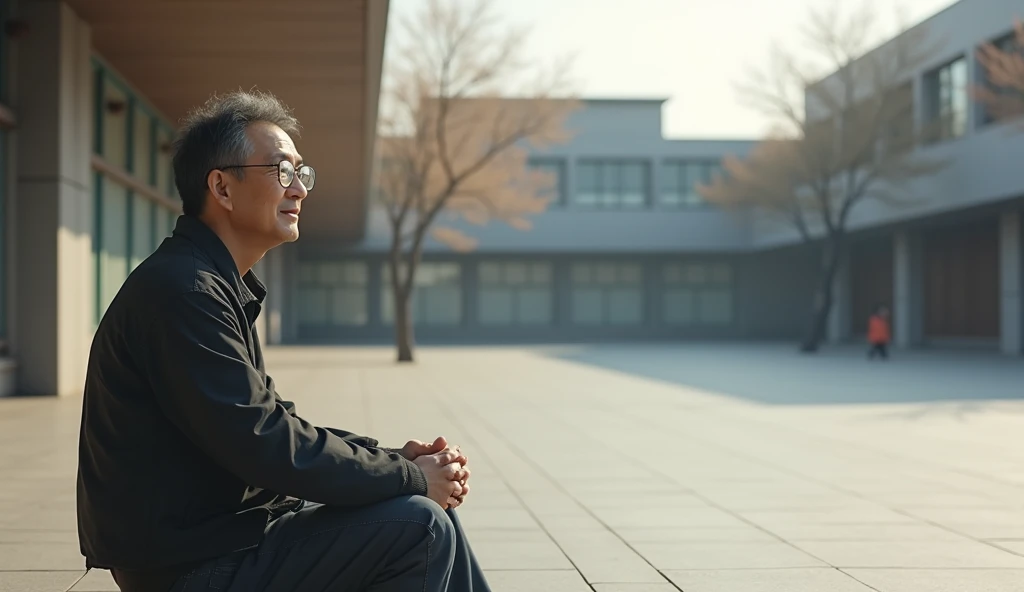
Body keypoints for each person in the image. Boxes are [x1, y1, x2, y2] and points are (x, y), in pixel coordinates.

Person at [76, 90, 490, 592]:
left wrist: (397, 461)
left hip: (222, 539)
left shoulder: (211, 282)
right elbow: (268, 445)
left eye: (303, 173)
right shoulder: (184, 292)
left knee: (429, 509)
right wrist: (410, 477)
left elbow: (275, 424)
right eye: (282, 172)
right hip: (188, 566)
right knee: (417, 525)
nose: (300, 190)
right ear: (222, 188)